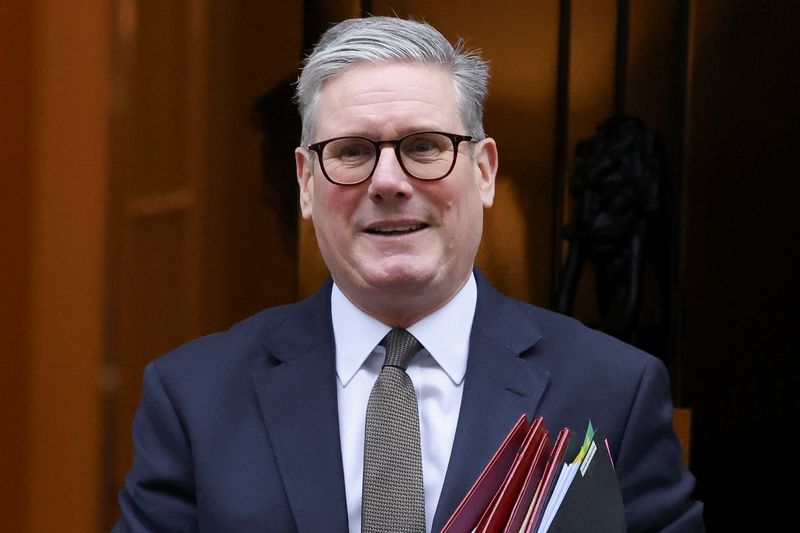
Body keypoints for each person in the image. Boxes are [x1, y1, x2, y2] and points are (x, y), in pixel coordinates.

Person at [113, 16, 704, 533]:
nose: (389, 182)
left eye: (424, 146)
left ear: (484, 171)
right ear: (305, 183)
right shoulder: (194, 397)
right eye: (351, 152)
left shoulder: (613, 391)